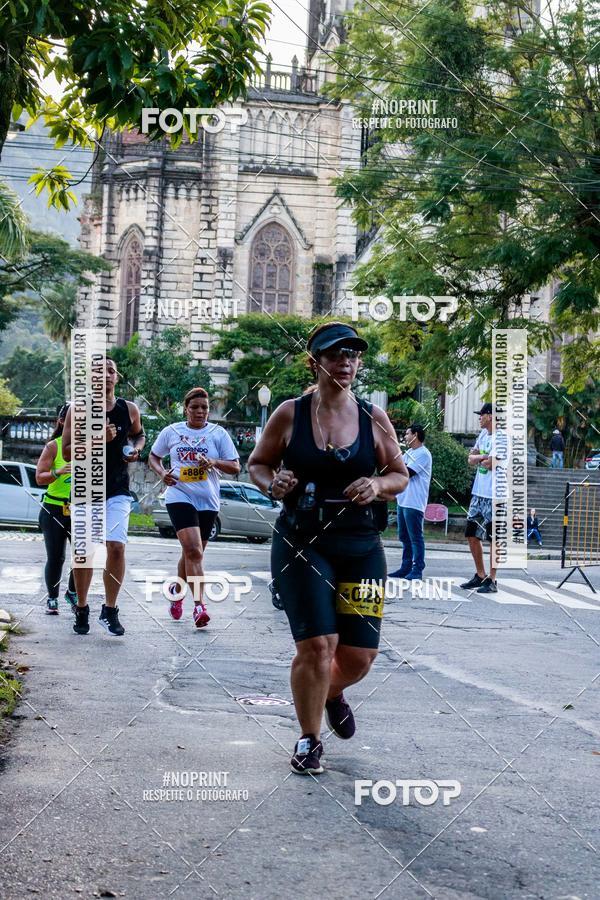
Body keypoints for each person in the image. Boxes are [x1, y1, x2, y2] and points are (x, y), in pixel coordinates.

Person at [248, 322, 409, 776]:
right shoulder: (290, 413)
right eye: (335, 354)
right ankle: (309, 738)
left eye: (352, 355)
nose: (345, 362)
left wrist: (377, 485)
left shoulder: (373, 417)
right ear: (314, 362)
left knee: (358, 658)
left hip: (361, 547)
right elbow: (258, 464)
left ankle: (332, 691)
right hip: (302, 542)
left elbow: (400, 476)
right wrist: (272, 483)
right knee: (318, 644)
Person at [63, 357, 145, 636]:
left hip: (118, 489)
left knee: (117, 546)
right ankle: (82, 607)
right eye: (99, 371)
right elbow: (66, 452)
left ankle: (110, 610)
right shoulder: (78, 409)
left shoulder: (129, 409)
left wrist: (135, 449)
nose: (106, 375)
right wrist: (98, 439)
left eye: (111, 370)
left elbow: (139, 436)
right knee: (84, 551)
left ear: (116, 377)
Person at [148, 387, 240, 627]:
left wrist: (214, 462)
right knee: (194, 551)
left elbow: (235, 467)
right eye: (195, 407)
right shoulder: (172, 431)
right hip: (179, 495)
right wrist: (162, 473)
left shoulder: (218, 434)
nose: (200, 411)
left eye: (204, 408)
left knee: (191, 554)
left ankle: (176, 592)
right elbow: (154, 456)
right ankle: (200, 607)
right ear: (185, 409)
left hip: (207, 500)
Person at [35, 404, 77, 614]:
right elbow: (39, 477)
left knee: (83, 557)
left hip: (81, 509)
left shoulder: (91, 446)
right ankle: (52, 598)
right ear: (62, 421)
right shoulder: (54, 446)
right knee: (56, 557)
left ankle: (73, 592)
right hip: (54, 509)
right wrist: (57, 472)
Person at [460, 403, 500, 594]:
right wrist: (482, 457)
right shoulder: (483, 435)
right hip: (478, 492)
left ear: (490, 416)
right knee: (471, 533)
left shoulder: (502, 438)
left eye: (482, 415)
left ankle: (492, 579)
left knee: (493, 538)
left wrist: (481, 458)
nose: (479, 418)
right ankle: (480, 574)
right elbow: (470, 459)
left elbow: (491, 464)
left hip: (495, 494)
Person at [388, 423, 432, 580]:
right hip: (403, 500)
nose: (405, 436)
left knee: (415, 537)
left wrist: (399, 467)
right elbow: (395, 468)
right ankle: (405, 567)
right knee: (404, 537)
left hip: (414, 502)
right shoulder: (409, 453)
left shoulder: (423, 454)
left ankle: (417, 569)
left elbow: (407, 472)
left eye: (407, 434)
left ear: (415, 435)